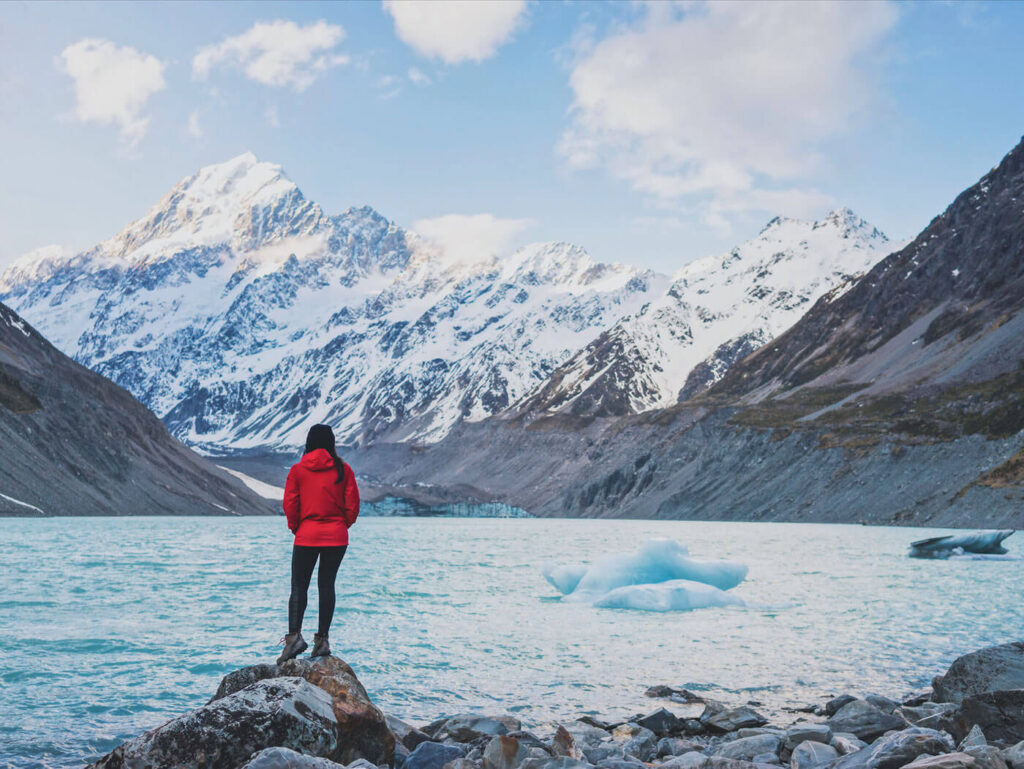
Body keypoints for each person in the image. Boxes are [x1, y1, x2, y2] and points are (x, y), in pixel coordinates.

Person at [278, 423, 360, 664]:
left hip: (307, 535)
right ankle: (322, 640)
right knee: (327, 585)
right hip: (336, 536)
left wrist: (297, 527)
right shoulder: (343, 470)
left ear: (309, 443)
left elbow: (291, 504)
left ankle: (294, 638)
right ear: (331, 443)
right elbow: (352, 505)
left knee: (298, 586)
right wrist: (341, 525)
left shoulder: (298, 470)